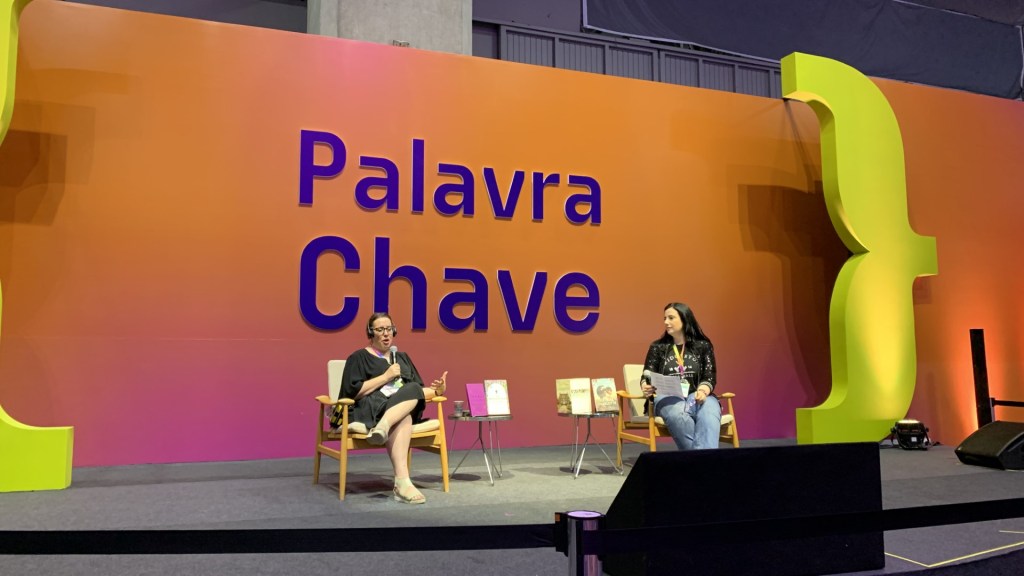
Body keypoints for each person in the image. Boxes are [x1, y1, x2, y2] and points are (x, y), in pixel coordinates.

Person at [332, 312, 448, 504]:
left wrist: (437, 391)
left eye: (389, 329)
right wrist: (386, 377)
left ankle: (384, 428)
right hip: (372, 407)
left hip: (399, 408)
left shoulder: (402, 357)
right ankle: (403, 483)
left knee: (411, 390)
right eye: (380, 329)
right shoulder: (358, 357)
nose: (386, 333)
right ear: (371, 333)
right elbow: (353, 392)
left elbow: (416, 392)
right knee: (404, 414)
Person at [640, 302, 722, 450]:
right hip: (668, 397)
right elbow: (647, 375)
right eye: (665, 318)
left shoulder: (703, 346)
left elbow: (709, 375)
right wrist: (646, 386)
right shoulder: (658, 347)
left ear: (684, 319)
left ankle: (697, 461)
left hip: (697, 395)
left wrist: (703, 391)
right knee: (678, 415)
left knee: (709, 412)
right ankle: (707, 461)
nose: (666, 322)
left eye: (671, 318)